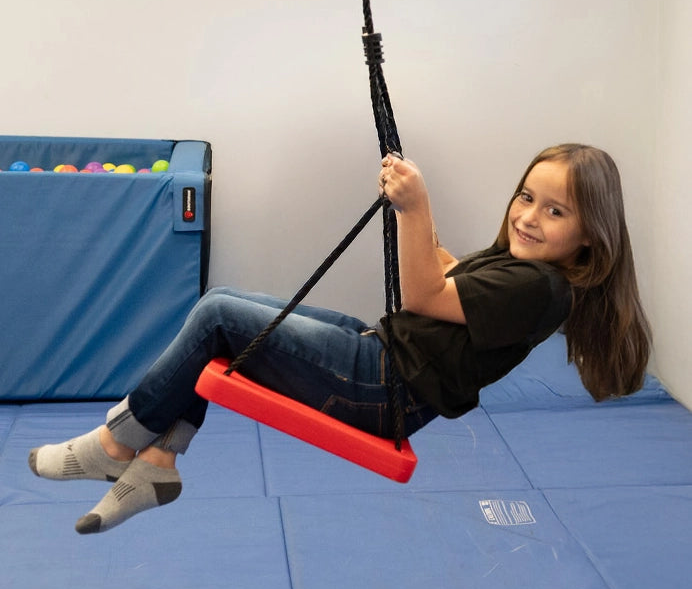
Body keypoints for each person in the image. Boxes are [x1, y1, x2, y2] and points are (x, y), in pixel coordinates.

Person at [29, 143, 651, 534]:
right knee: (226, 311)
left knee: (218, 312)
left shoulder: (543, 288)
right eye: (526, 196)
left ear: (591, 235)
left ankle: (114, 445)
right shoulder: (527, 275)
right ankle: (157, 463)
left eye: (554, 211)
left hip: (380, 388)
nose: (528, 216)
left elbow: (426, 296)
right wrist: (420, 230)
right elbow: (451, 279)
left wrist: (418, 208)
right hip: (380, 358)